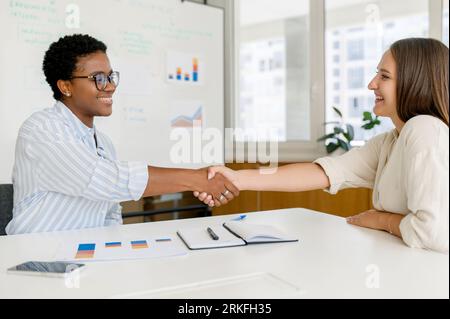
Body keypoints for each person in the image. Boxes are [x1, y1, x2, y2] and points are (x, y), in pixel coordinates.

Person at [196, 38, 449, 253]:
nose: (372, 84)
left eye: (384, 76)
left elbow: (432, 233)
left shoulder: (425, 129)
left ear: (415, 82)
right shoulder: (391, 141)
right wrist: (237, 178)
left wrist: (382, 220)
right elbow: (323, 172)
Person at [6, 34, 238, 235]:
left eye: (110, 76)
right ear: (65, 86)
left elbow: (110, 213)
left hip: (84, 260)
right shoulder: (41, 129)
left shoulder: (104, 144)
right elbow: (102, 180)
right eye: (98, 78)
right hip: (36, 260)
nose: (110, 86)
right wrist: (197, 179)